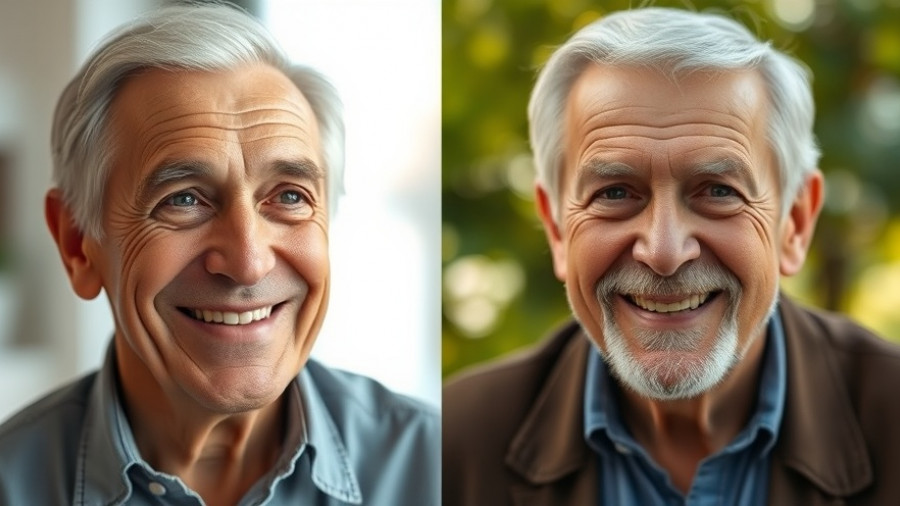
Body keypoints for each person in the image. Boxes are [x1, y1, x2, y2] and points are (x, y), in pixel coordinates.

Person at [443, 7, 900, 505]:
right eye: (615, 193)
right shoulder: (454, 443)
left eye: (718, 191)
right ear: (556, 228)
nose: (663, 251)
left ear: (794, 223)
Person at [0, 3, 438, 505]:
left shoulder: (437, 466)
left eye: (290, 197)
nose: (249, 261)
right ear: (78, 244)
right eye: (183, 199)